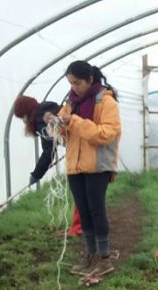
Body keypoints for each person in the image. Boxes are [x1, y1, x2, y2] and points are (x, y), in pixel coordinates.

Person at [47, 60, 122, 278]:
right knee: (84, 210)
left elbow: (107, 134)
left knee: (97, 210)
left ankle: (104, 258)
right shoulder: (71, 102)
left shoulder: (106, 101)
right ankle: (90, 254)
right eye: (71, 83)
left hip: (97, 165)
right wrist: (55, 123)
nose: (74, 87)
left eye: (77, 83)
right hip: (75, 165)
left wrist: (75, 122)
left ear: (90, 80)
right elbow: (65, 133)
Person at [13, 95, 82, 237]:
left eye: (24, 117)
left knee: (80, 192)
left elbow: (49, 151)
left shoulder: (41, 119)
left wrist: (36, 174)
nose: (25, 121)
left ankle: (79, 228)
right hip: (80, 146)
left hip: (80, 150)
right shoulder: (47, 107)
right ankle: (80, 227)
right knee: (82, 193)